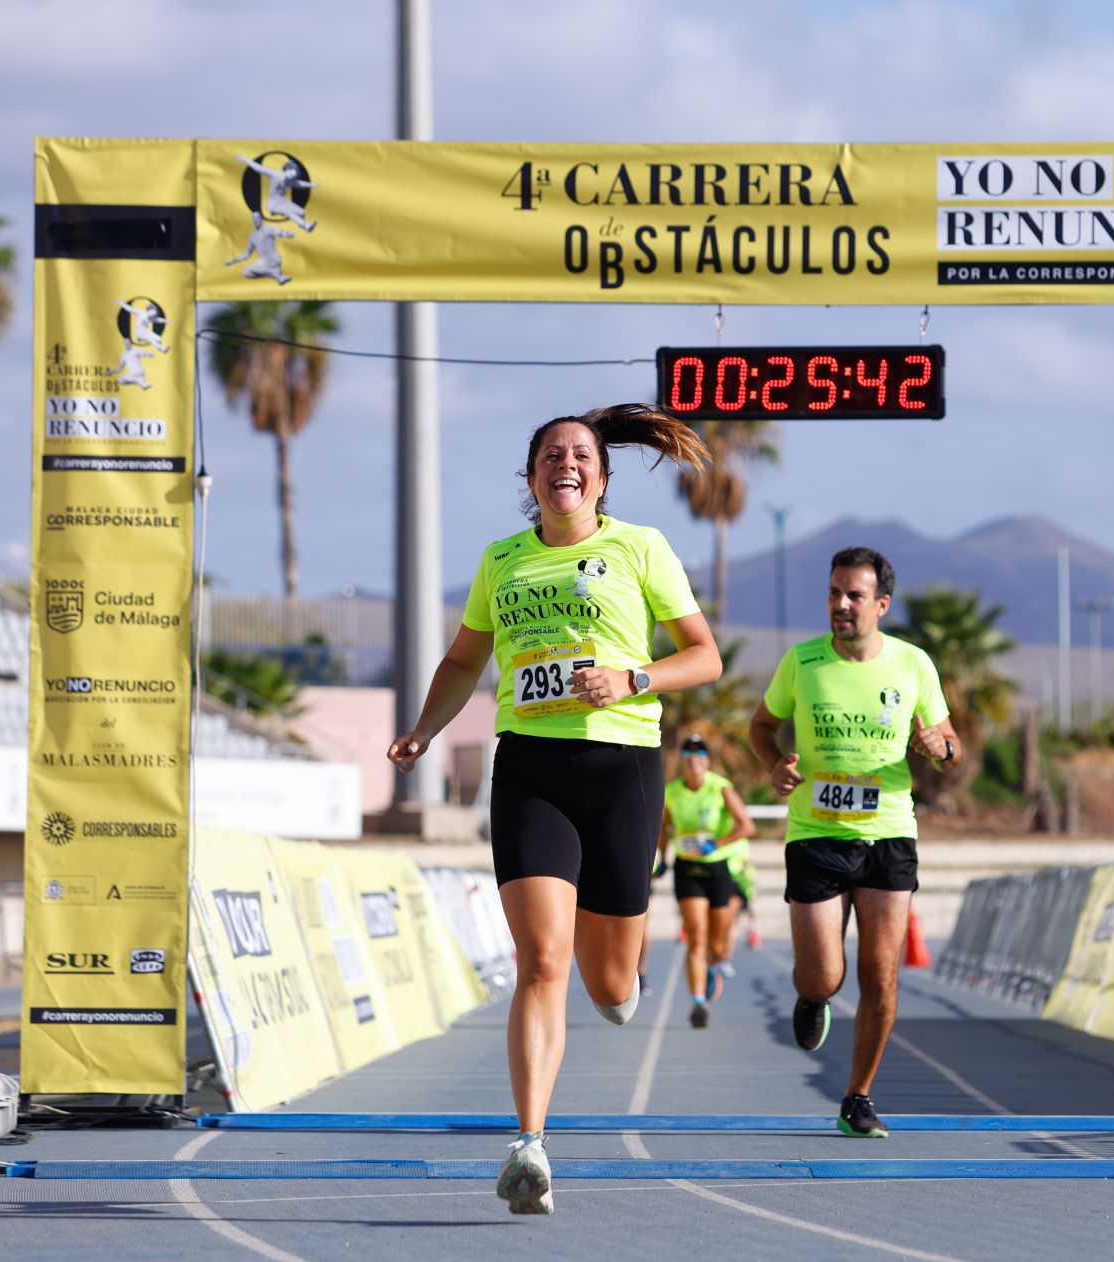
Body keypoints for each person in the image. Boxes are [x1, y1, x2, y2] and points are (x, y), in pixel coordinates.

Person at [387, 404, 720, 1215]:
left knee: (608, 987)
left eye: (580, 455)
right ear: (531, 477)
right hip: (532, 771)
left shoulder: (640, 548)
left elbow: (702, 656)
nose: (565, 465)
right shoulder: (502, 560)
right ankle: (529, 1145)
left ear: (601, 479)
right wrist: (425, 731)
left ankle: (622, 972)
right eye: (550, 455)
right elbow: (466, 658)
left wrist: (633, 678)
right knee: (541, 961)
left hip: (624, 771)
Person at [749, 546, 960, 1139]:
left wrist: (938, 748)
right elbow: (759, 726)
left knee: (881, 975)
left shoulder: (914, 665)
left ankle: (858, 1096)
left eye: (854, 596)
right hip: (815, 833)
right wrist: (775, 765)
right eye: (834, 592)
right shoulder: (803, 662)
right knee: (823, 975)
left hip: (888, 832)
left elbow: (950, 744)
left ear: (882, 605)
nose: (840, 605)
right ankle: (812, 998)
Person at [659, 733, 756, 1028]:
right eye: (688, 755)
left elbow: (746, 826)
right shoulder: (671, 791)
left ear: (708, 761)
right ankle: (698, 1001)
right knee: (696, 936)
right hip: (688, 870)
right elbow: (665, 828)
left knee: (715, 944)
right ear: (683, 761)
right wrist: (663, 859)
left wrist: (718, 843)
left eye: (700, 755)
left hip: (717, 870)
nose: (694, 760)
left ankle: (714, 967)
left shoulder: (720, 788)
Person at [237, 154, 318, 231]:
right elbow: (259, 168)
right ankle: (305, 225)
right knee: (289, 212)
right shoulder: (275, 174)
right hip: (274, 205)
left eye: (293, 176)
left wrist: (312, 185)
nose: (290, 176)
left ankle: (301, 224)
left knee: (302, 212)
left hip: (283, 202)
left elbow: (300, 184)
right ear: (287, 169)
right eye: (290, 173)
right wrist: (246, 160)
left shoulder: (289, 181)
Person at [225, 212, 296, 285]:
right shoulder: (252, 236)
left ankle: (275, 273)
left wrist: (289, 234)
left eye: (258, 218)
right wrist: (233, 261)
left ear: (262, 219)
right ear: (252, 220)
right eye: (254, 218)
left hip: (273, 259)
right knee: (246, 272)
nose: (256, 220)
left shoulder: (269, 228)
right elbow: (247, 254)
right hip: (264, 261)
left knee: (252, 269)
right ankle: (276, 274)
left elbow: (281, 233)